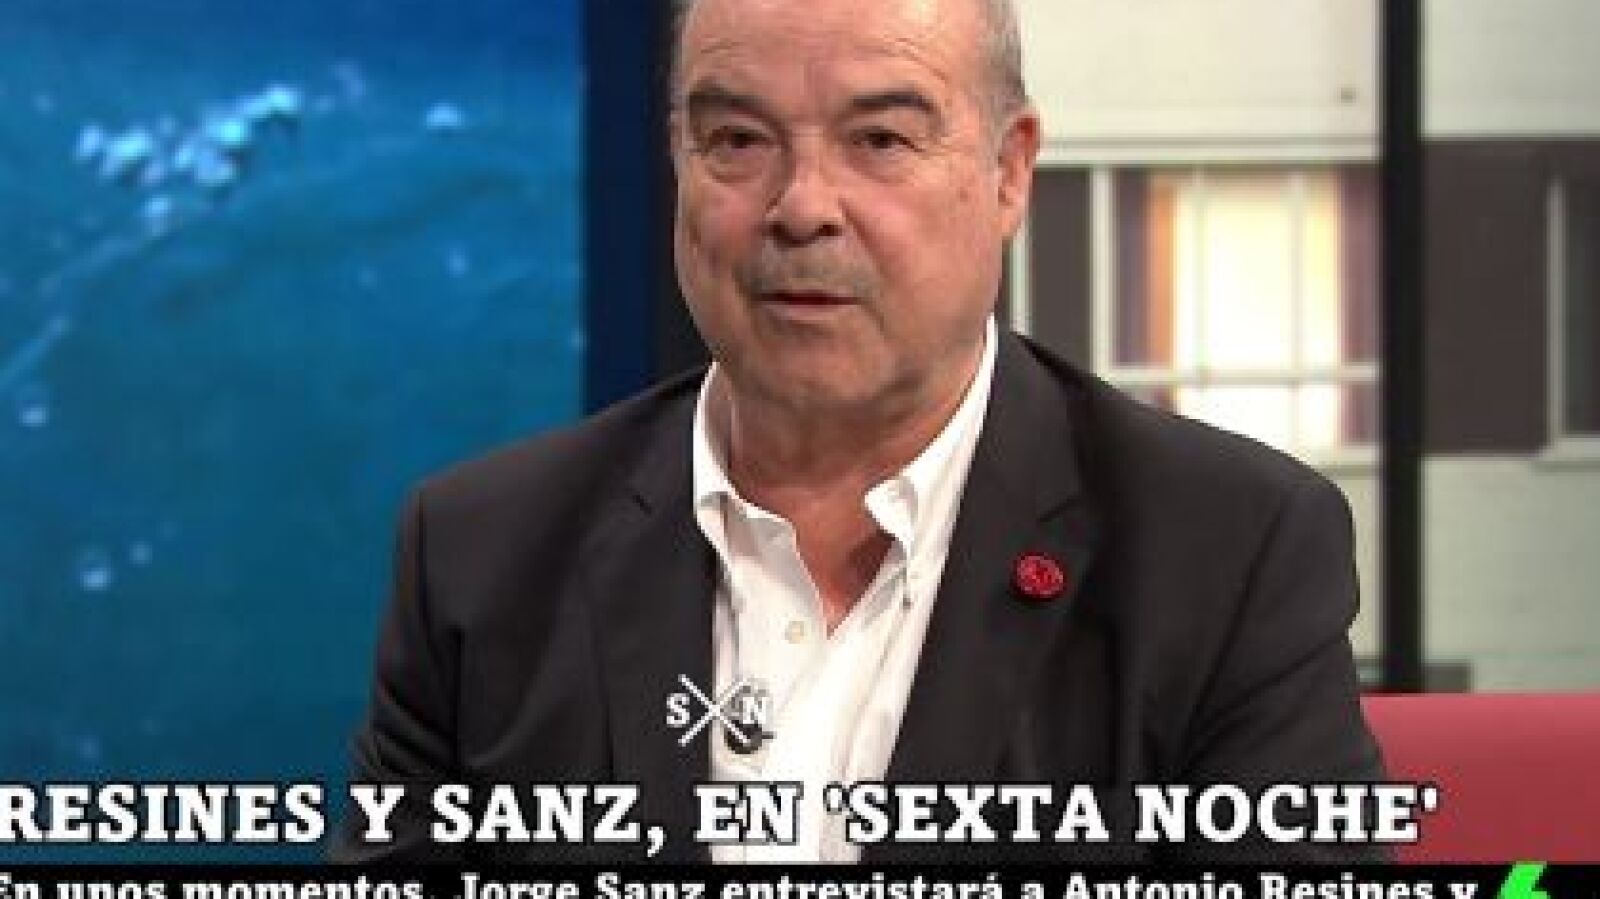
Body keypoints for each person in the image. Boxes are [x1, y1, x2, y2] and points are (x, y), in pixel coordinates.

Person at [333, 0, 1386, 863]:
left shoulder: (1225, 553)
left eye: (879, 139)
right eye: (737, 141)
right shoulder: (480, 557)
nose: (803, 208)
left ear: (1009, 171)